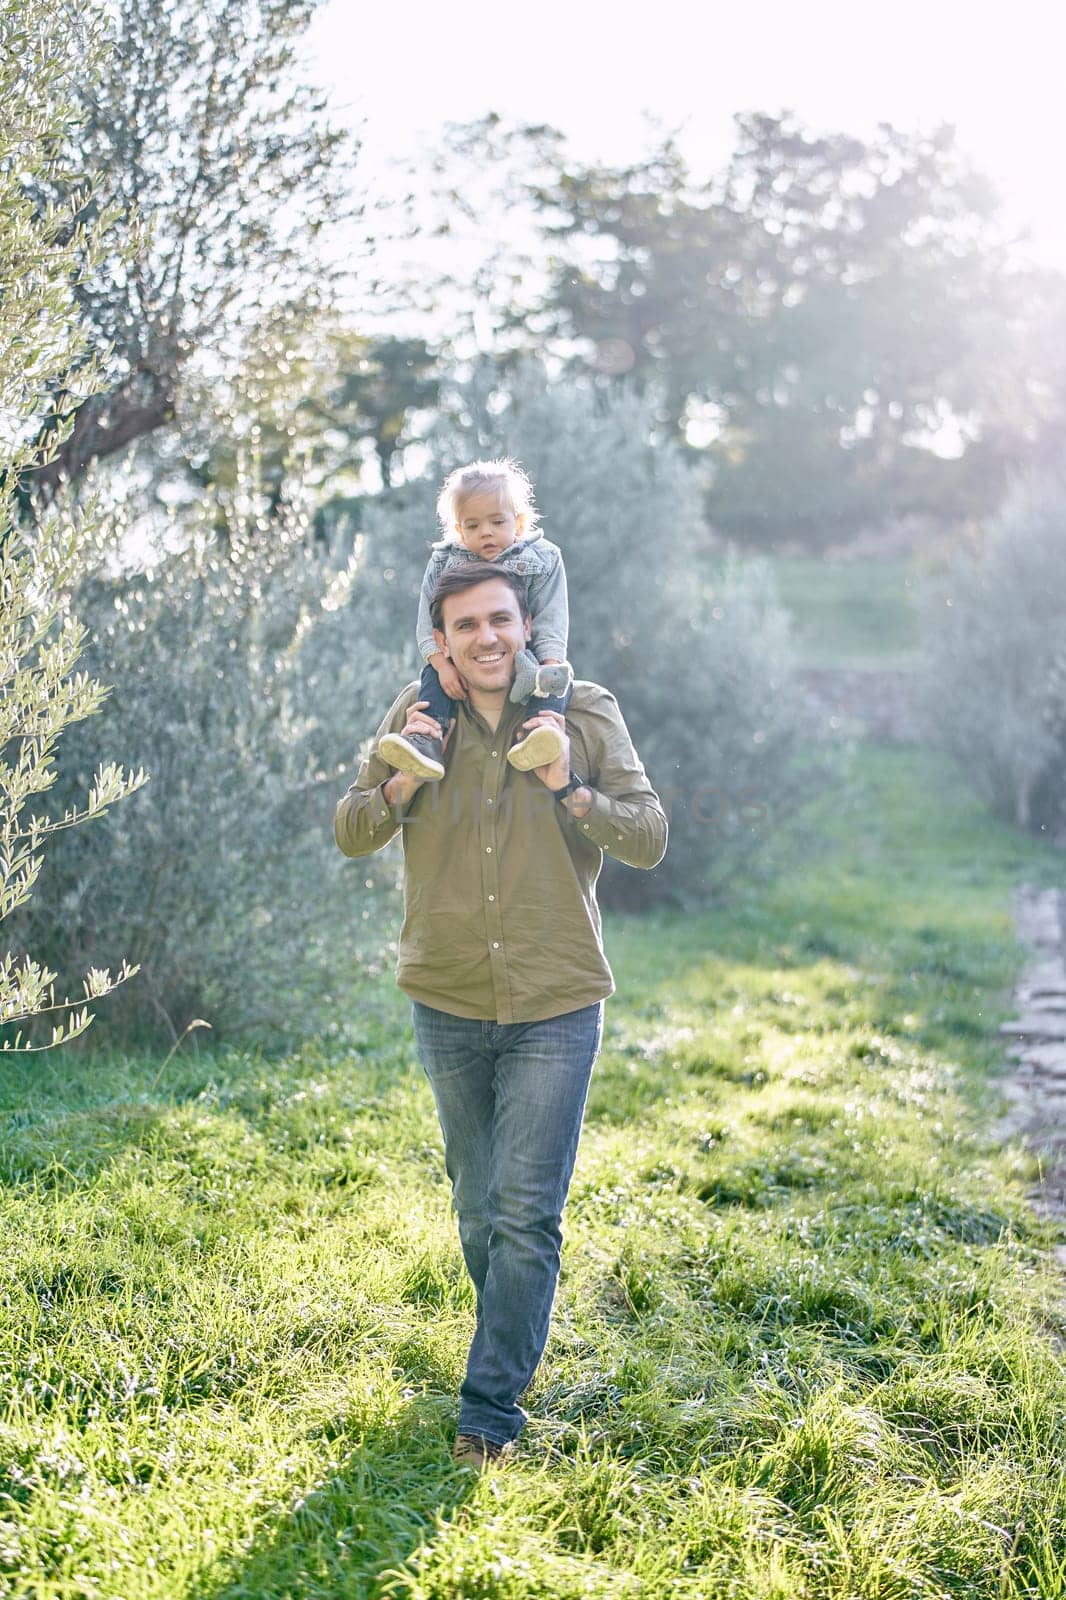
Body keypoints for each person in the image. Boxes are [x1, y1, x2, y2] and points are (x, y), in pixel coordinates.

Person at [333, 562, 668, 1469]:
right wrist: (400, 784)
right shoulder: (418, 718)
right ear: (441, 639)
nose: (486, 638)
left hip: (556, 998)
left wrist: (572, 789)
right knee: (479, 1211)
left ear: (527, 626)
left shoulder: (580, 708)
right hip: (446, 996)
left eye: (500, 621)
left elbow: (648, 834)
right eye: (466, 625)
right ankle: (510, 1347)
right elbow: (352, 827)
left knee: (526, 1215)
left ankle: (488, 1412)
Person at [377, 457, 575, 783]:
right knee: (430, 683)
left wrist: (549, 666)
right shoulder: (444, 561)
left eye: (497, 522)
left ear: (519, 522)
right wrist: (443, 666)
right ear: (458, 529)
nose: (486, 533)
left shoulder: (543, 557)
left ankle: (539, 734)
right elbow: (427, 625)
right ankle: (426, 741)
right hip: (458, 664)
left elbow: (552, 618)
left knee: (557, 680)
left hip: (528, 658)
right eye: (472, 525)